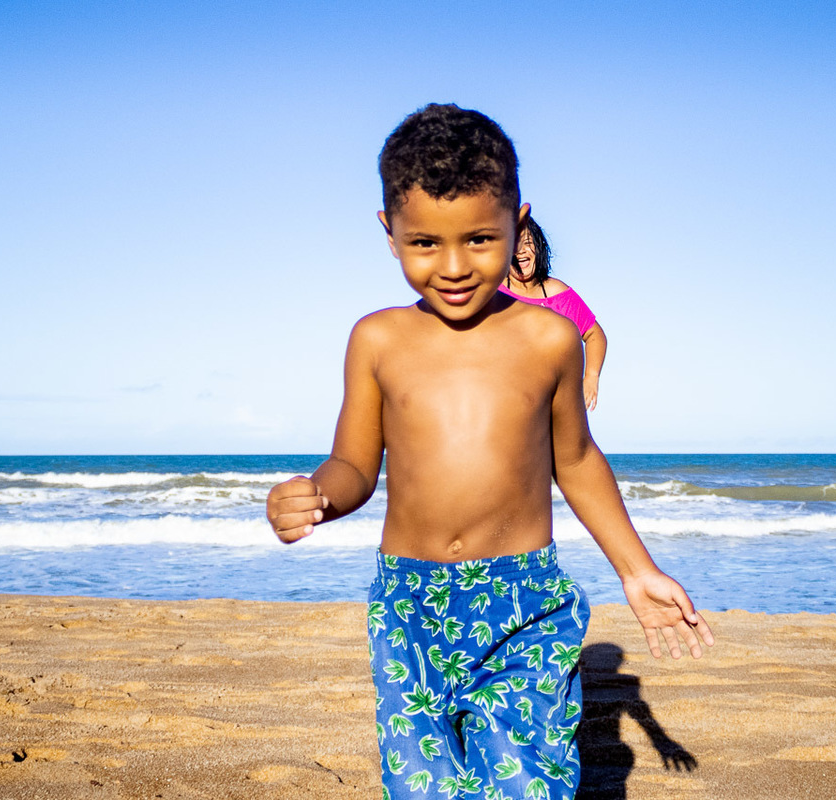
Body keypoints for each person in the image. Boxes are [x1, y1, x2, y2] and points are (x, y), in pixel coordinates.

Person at [265, 103, 713, 800]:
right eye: (424, 244)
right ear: (389, 234)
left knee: (527, 778)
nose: (452, 267)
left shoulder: (547, 340)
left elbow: (578, 460)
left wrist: (636, 569)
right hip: (408, 605)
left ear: (518, 223)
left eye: (479, 239)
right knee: (420, 785)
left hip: (522, 599)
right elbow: (355, 462)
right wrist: (320, 494)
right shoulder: (377, 340)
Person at [501, 218, 608, 410]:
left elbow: (595, 335)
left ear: (539, 246)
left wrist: (591, 377)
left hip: (551, 402)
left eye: (527, 242)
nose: (520, 251)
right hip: (505, 400)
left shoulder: (557, 293)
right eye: (513, 244)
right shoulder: (492, 292)